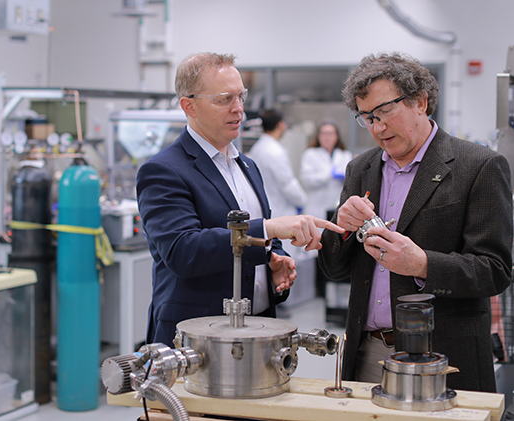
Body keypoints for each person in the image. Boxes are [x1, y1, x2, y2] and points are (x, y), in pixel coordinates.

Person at [319, 52, 512, 393]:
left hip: (443, 354)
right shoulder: (361, 169)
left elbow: (493, 270)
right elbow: (334, 269)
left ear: (420, 102)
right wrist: (342, 226)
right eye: (367, 118)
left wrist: (422, 264)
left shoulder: (478, 166)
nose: (378, 127)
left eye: (384, 112)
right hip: (368, 353)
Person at [137, 52, 344, 348]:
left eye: (241, 97)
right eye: (224, 99)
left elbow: (256, 242)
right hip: (197, 338)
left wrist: (274, 260)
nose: (239, 110)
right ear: (189, 106)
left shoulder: (247, 166)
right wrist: (269, 230)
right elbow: (183, 251)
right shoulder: (165, 170)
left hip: (256, 331)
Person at [248, 109, 307, 219]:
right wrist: (302, 201)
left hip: (264, 210)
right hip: (279, 211)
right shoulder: (275, 151)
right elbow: (287, 184)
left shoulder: (257, 148)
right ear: (281, 124)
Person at [299, 120, 354, 221]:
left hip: (337, 205)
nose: (327, 137)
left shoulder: (345, 155)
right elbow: (306, 180)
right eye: (324, 133)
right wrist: (328, 175)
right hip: (316, 207)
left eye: (330, 134)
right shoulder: (310, 154)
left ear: (336, 136)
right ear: (318, 136)